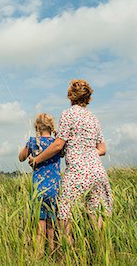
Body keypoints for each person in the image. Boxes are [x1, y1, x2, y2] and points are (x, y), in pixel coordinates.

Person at [29, 79, 113, 242]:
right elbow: (102, 149)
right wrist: (86, 151)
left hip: (77, 171)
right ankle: (101, 251)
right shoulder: (94, 119)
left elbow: (58, 144)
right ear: (87, 97)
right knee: (95, 213)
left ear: (70, 95)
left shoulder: (68, 114)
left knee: (64, 212)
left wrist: (37, 160)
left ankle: (67, 252)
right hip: (97, 171)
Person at [19, 113, 61, 255]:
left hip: (39, 189)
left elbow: (21, 157)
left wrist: (31, 154)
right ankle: (52, 253)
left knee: (39, 226)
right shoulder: (57, 143)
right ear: (51, 126)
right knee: (51, 225)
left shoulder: (32, 142)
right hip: (54, 188)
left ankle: (39, 255)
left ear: (37, 126)